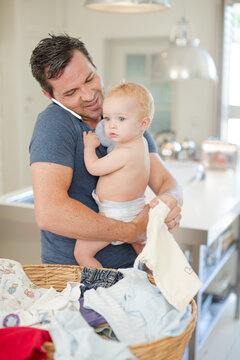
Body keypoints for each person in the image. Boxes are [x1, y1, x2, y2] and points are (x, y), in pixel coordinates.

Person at [29, 33, 182, 269]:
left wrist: (167, 206)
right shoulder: (54, 125)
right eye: (71, 93)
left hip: (132, 270)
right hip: (76, 279)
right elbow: (50, 212)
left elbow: (168, 183)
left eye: (90, 79)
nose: (89, 96)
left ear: (92, 60)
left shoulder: (122, 113)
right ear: (50, 96)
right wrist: (132, 231)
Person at [74, 82, 154, 267]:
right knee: (145, 254)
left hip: (116, 215)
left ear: (143, 123)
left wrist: (89, 147)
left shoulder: (124, 152)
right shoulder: (140, 143)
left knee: (82, 253)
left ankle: (103, 287)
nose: (111, 126)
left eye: (121, 119)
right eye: (107, 118)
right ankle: (156, 282)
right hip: (134, 209)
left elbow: (94, 168)